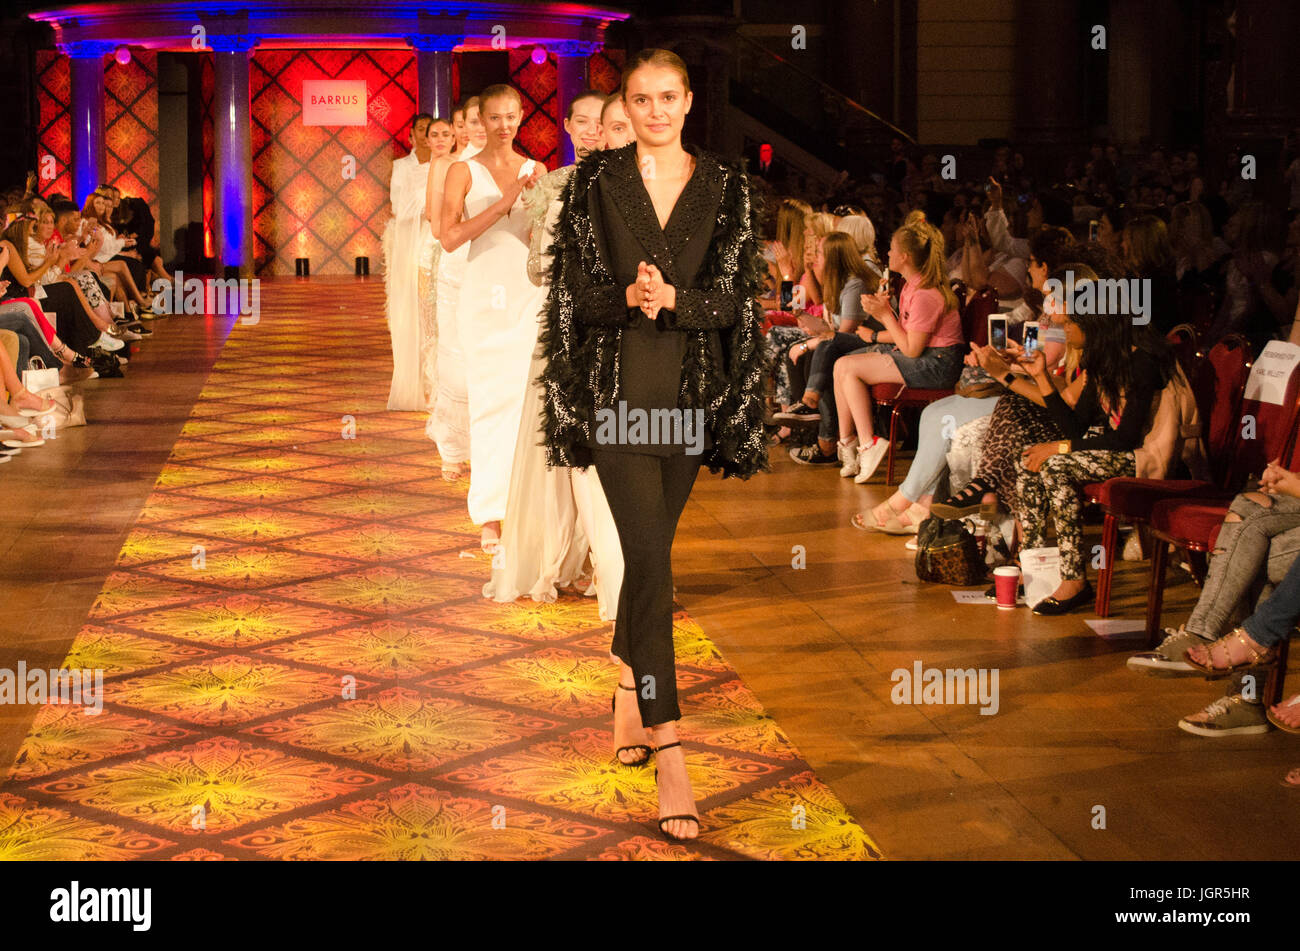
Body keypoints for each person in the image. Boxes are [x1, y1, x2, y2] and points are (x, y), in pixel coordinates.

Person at [538, 49, 767, 840]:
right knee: (654, 563)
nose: (656, 110)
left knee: (647, 556)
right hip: (616, 395)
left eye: (669, 97)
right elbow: (569, 298)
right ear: (624, 107)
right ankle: (672, 749)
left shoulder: (727, 186)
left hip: (689, 401)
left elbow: (742, 302)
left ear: (690, 101)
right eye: (642, 98)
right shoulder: (596, 184)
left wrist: (679, 299)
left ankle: (624, 689)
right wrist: (623, 296)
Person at [484, 90, 624, 621]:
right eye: (584, 122)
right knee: (572, 458)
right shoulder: (555, 186)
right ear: (567, 125)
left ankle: (609, 568)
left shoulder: (644, 184)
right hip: (569, 332)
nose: (593, 132)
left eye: (604, 124)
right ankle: (588, 564)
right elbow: (536, 269)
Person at [440, 85, 543, 552]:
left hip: (528, 295)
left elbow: (545, 235)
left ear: (522, 117)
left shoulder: (535, 170)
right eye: (494, 117)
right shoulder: (463, 170)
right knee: (488, 402)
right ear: (480, 120)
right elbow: (448, 236)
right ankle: (489, 514)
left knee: (526, 405)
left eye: (511, 116)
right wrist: (502, 207)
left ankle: (525, 505)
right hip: (483, 296)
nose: (503, 126)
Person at [833, 211, 965, 483]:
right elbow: (907, 336)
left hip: (937, 363)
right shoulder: (910, 286)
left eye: (892, 249)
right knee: (840, 365)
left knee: (849, 367)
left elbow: (913, 349)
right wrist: (877, 331)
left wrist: (883, 316)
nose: (888, 254)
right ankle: (848, 444)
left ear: (905, 256)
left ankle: (869, 444)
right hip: (923, 354)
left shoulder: (927, 294)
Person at [385, 113, 434, 410]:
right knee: (411, 306)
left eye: (433, 131)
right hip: (410, 240)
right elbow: (398, 207)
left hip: (438, 237)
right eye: (421, 130)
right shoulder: (401, 167)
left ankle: (434, 379)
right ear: (411, 135)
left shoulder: (449, 165)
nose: (427, 136)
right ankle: (413, 376)